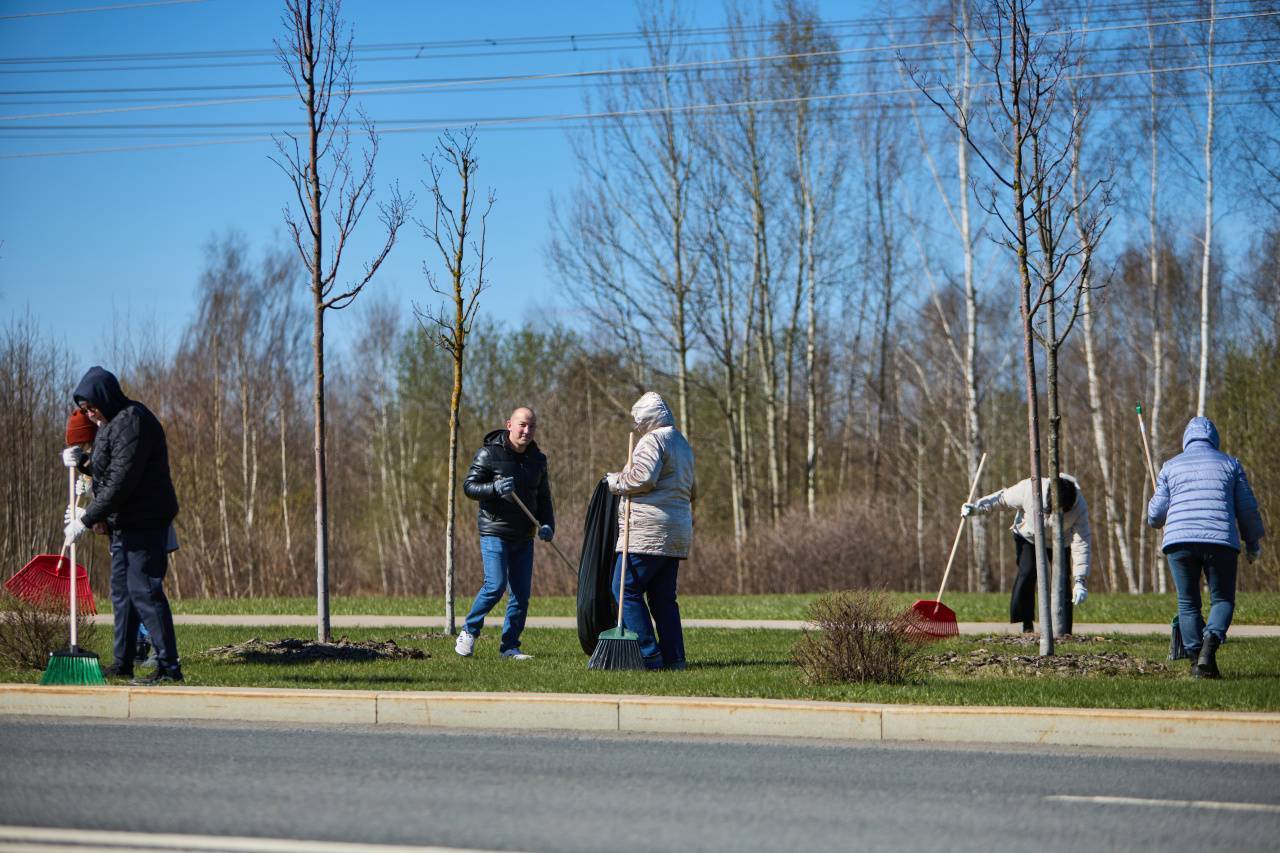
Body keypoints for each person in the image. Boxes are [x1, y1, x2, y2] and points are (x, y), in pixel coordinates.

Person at [61, 366, 182, 684]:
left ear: (105, 397)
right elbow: (106, 470)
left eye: (91, 407)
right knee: (123, 594)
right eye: (85, 410)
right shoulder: (109, 425)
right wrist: (82, 463)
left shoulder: (133, 420)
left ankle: (169, 667)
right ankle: (123, 661)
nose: (89, 415)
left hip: (145, 521)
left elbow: (121, 482)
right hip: (124, 524)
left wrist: (85, 520)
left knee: (145, 590)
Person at [1148, 416, 1264, 679]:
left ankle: (1196, 660)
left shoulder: (1171, 466)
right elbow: (1247, 509)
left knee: (1188, 603)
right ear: (1214, 439)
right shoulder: (1230, 464)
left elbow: (1155, 517)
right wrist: (1253, 542)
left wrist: (1158, 512)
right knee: (1222, 598)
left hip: (1179, 542)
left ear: (1186, 439)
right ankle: (1208, 650)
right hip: (1219, 540)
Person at [605, 392, 696, 671]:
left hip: (647, 530)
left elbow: (643, 478)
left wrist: (614, 481)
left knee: (625, 589)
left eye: (638, 420)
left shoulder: (653, 440)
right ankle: (675, 658)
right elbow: (693, 490)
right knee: (663, 597)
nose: (636, 427)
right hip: (676, 529)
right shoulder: (682, 443)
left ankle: (649, 654)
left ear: (647, 418)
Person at [456, 407, 554, 660]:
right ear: (509, 424)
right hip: (495, 531)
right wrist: (495, 487)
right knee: (495, 585)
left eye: (531, 426)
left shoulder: (537, 460)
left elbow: (543, 498)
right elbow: (469, 487)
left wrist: (548, 525)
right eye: (522, 425)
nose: (527, 431)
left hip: (525, 534)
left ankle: (510, 647)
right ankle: (469, 631)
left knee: (521, 595)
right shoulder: (489, 453)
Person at [963, 474, 1092, 634]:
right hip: (1028, 535)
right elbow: (1001, 499)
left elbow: (1082, 544)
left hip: (1060, 541)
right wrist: (976, 508)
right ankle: (1026, 623)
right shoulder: (1030, 489)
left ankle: (1064, 631)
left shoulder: (1080, 508)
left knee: (1062, 580)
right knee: (1028, 571)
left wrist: (1080, 581)